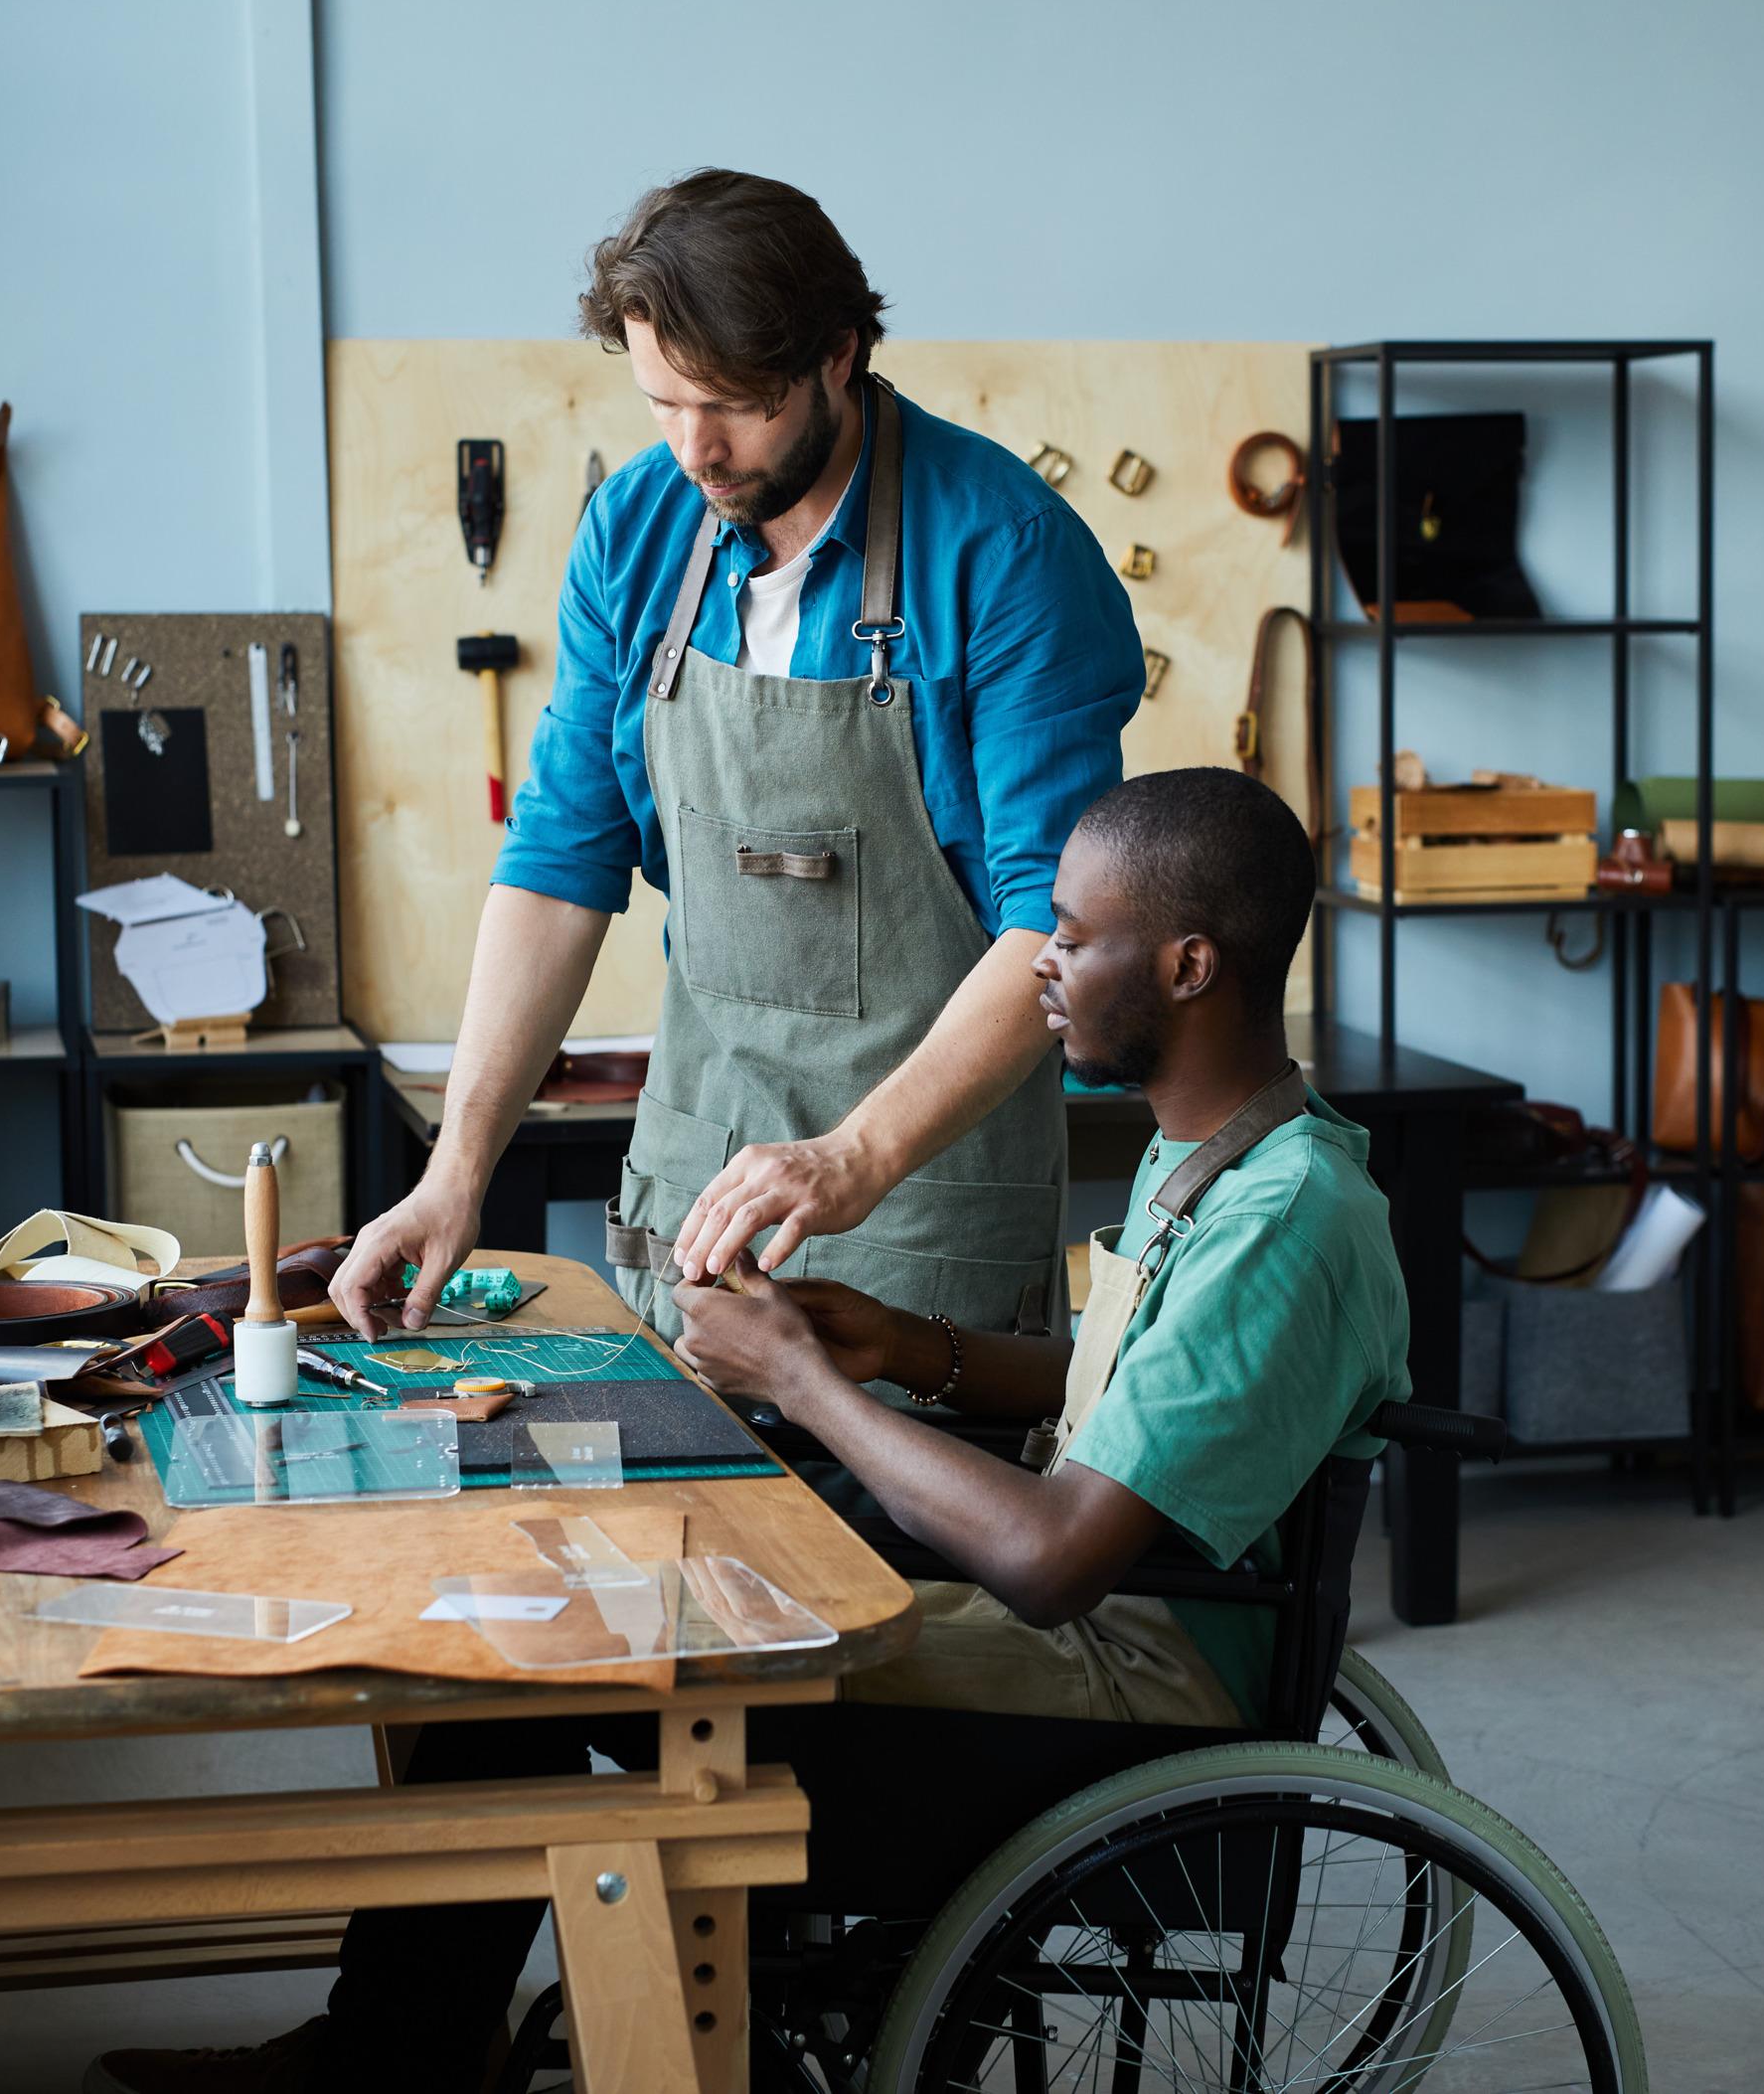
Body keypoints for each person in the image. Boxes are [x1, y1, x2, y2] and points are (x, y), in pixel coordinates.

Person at [86, 770, 1413, 2094]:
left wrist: (807, 1376)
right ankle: (402, 2049)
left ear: (1188, 966)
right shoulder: (1217, 1155)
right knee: (551, 1617)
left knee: (633, 1658)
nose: (1045, 966)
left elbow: (1060, 1557)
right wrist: (906, 1349)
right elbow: (1138, 1399)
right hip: (1082, 1638)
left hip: (1129, 1692)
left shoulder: (1287, 1216)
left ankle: (532, 2045)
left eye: (1072, 936)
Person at [329, 169, 1143, 1349]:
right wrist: (455, 1172)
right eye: (662, 402)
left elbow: (1048, 926)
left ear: (838, 354)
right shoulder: (635, 528)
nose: (695, 448)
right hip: (694, 1196)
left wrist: (855, 1156)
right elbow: (561, 857)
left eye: (733, 405)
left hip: (919, 1210)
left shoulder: (1005, 554)